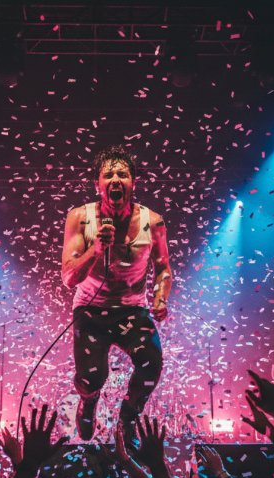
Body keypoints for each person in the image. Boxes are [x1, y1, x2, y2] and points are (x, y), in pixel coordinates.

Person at [61, 145, 172, 444]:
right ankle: (88, 402)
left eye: (122, 174)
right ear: (97, 184)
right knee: (91, 377)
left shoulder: (154, 221)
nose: (115, 179)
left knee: (151, 362)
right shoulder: (80, 218)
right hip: (90, 309)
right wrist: (95, 250)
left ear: (133, 183)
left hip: (132, 309)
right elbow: (69, 276)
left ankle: (128, 417)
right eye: (107, 174)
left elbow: (163, 269)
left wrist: (161, 297)